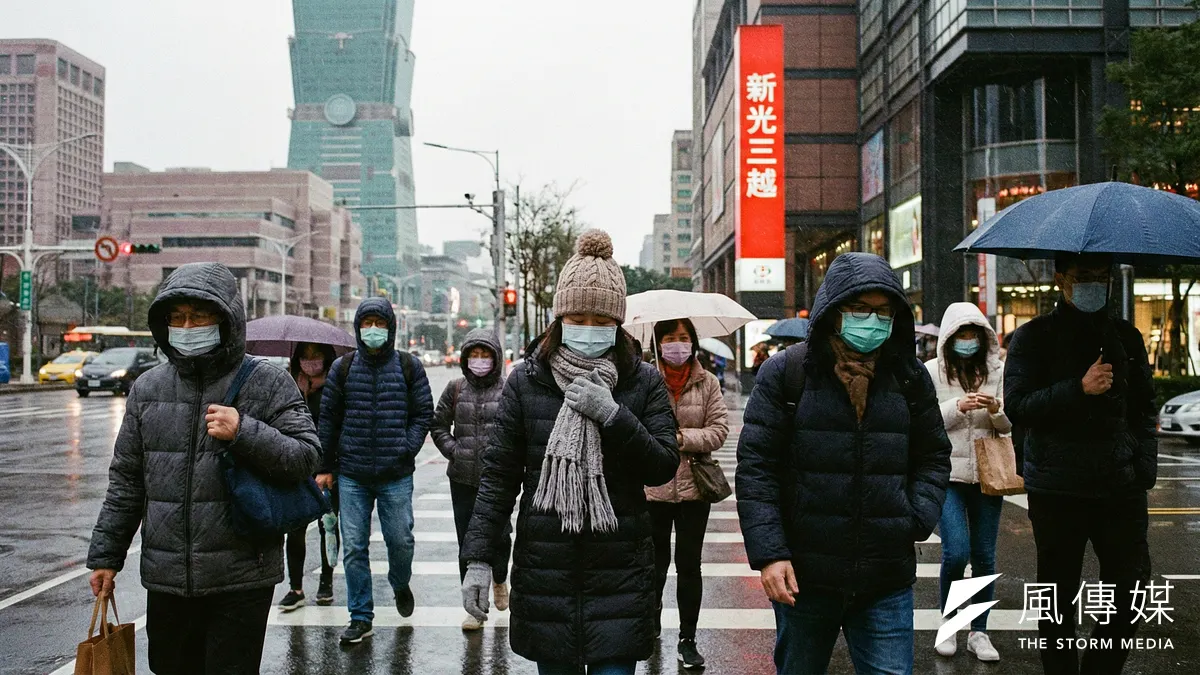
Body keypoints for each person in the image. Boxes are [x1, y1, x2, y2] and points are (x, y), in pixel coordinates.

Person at [460, 230, 679, 675]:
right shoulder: (527, 381)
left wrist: (614, 416)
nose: (590, 329)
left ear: (618, 323)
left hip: (619, 572)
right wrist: (480, 558)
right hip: (547, 572)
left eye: (601, 320)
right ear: (559, 319)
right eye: (578, 317)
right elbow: (498, 477)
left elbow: (662, 466)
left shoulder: (644, 382)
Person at [86, 262, 322, 674]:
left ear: (226, 319)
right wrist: (107, 556)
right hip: (167, 576)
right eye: (177, 318)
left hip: (241, 575)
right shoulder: (148, 388)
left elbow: (304, 455)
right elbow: (126, 481)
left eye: (199, 316)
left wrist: (243, 431)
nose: (187, 325)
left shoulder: (266, 383)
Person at [737, 252, 952, 675]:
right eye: (859, 310)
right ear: (835, 312)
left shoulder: (908, 377)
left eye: (883, 312)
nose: (872, 321)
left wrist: (913, 518)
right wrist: (770, 555)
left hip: (885, 576)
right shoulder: (787, 373)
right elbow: (756, 467)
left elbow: (933, 456)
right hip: (803, 575)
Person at [1004, 253, 1156, 674]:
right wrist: (1078, 388)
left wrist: (1143, 467)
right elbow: (1018, 406)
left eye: (1101, 277)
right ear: (1061, 280)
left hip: (1120, 485)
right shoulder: (1033, 338)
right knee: (1057, 596)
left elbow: (1144, 407)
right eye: (1083, 277)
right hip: (1057, 488)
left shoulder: (1125, 336)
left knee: (1131, 590)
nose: (1094, 285)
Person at [316, 297, 435, 645]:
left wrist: (406, 447)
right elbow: (329, 419)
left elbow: (422, 414)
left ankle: (400, 582)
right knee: (354, 546)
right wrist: (325, 466)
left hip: (395, 474)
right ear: (357, 328)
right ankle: (360, 615)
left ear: (390, 328)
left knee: (401, 540)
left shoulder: (410, 366)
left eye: (379, 323)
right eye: (366, 323)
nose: (372, 330)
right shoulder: (343, 367)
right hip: (352, 474)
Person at [924, 302, 1011, 661]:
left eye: (974, 333)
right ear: (948, 338)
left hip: (989, 475)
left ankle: (980, 631)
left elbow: (1008, 427)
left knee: (985, 556)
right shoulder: (930, 372)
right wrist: (956, 407)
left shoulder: (998, 371)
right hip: (948, 475)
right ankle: (949, 625)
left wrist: (995, 410)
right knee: (956, 551)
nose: (968, 340)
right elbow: (925, 423)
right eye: (961, 334)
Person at [645, 318, 729, 669]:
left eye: (683, 338)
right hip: (653, 488)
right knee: (654, 565)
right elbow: (633, 428)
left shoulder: (707, 381)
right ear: (658, 343)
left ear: (694, 342)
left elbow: (719, 430)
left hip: (695, 488)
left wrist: (682, 439)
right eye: (669, 338)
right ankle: (649, 625)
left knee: (689, 566)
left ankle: (688, 637)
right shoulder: (645, 379)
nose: (677, 345)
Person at [429, 328, 512, 631]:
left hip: (498, 478)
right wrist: (455, 450)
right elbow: (437, 425)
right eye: (474, 355)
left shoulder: (508, 389)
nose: (479, 361)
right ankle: (474, 610)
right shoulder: (454, 388)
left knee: (501, 537)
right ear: (465, 359)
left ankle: (500, 578)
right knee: (467, 542)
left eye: (485, 355)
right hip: (462, 478)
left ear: (496, 358)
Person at [278, 341, 340, 612]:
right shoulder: (289, 385)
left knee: (329, 526)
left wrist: (329, 467)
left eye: (316, 356)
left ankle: (326, 583)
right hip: (296, 465)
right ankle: (295, 587)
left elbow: (337, 426)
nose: (311, 361)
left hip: (326, 467)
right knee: (295, 529)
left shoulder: (335, 385)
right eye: (305, 356)